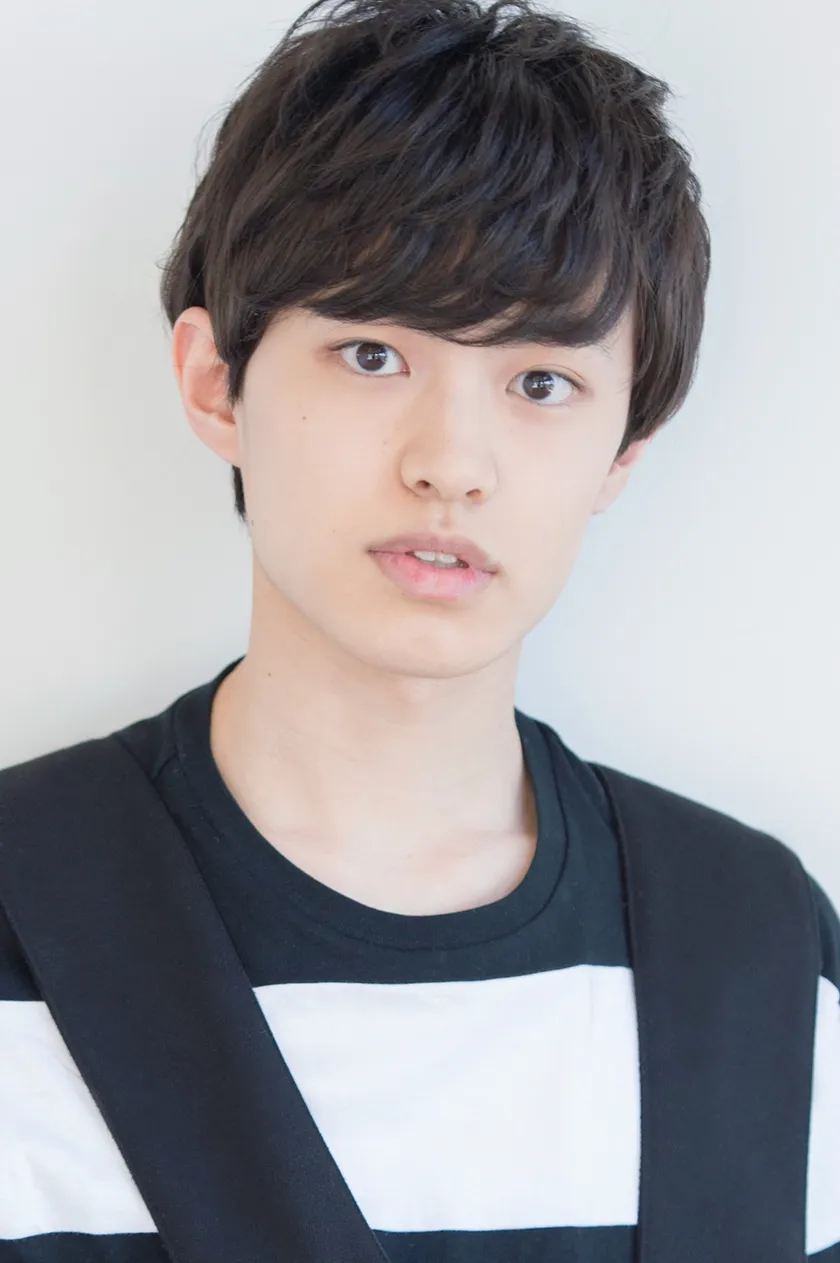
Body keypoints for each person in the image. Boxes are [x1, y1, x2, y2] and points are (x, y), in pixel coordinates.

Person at [1, 0, 838, 1259]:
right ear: (216, 384)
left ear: (622, 451)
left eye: (542, 381)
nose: (452, 463)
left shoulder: (761, 953)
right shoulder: (26, 906)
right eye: (372, 355)